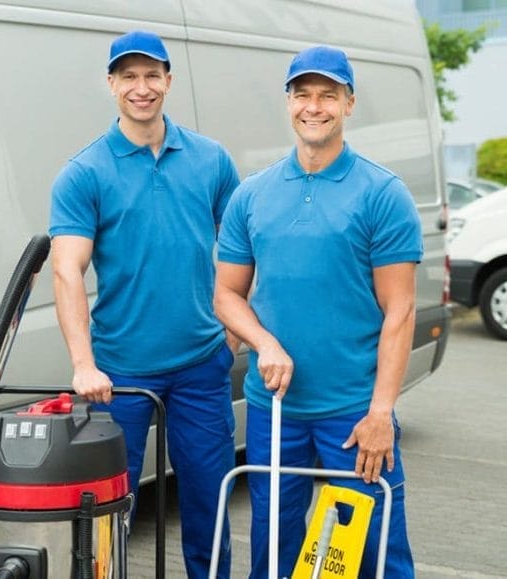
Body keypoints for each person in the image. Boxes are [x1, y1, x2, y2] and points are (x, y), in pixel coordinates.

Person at [214, 45, 419, 578]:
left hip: (354, 411)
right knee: (275, 547)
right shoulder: (252, 195)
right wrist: (265, 343)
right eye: (302, 94)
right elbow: (227, 295)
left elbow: (399, 311)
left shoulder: (382, 193)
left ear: (349, 103)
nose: (314, 106)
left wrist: (380, 414)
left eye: (328, 94)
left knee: (376, 549)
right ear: (288, 103)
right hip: (274, 409)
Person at [49, 30, 240, 578]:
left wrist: (229, 333)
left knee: (210, 500)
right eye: (128, 76)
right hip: (120, 375)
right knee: (109, 512)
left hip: (201, 367)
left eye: (152, 75)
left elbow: (241, 251)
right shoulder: (84, 172)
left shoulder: (211, 160)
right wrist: (84, 364)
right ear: (111, 85)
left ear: (169, 81)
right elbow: (67, 270)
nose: (142, 87)